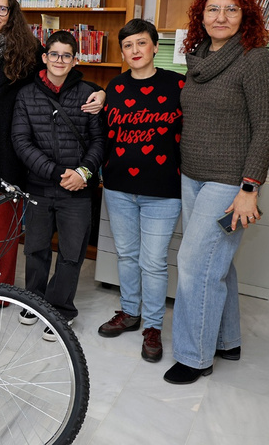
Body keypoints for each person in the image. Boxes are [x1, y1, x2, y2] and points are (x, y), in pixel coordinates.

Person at [0, 0, 105, 288]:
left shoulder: (32, 50)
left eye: (2, 9)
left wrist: (102, 93)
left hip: (12, 149)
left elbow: (60, 80)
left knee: (3, 228)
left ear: (12, 12)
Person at [164, 0, 269, 384]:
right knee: (218, 265)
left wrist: (250, 188)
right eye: (213, 10)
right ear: (201, 16)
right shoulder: (196, 58)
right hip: (192, 176)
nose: (221, 17)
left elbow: (266, 128)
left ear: (244, 15)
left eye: (231, 10)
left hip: (230, 183)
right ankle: (227, 341)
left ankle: (195, 358)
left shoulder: (255, 59)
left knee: (195, 265)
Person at [96, 19, 184, 363]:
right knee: (128, 255)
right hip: (118, 188)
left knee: (153, 261)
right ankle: (130, 313)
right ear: (122, 53)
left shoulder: (177, 85)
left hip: (163, 190)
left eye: (141, 44)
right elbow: (104, 136)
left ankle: (152, 327)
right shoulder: (114, 88)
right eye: (128, 46)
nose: (135, 51)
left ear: (155, 47)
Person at [12, 31, 105, 340]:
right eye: (55, 54)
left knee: (71, 252)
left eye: (67, 55)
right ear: (44, 57)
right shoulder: (26, 94)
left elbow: (98, 141)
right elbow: (21, 142)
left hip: (78, 190)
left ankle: (60, 309)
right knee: (36, 248)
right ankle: (33, 302)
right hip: (40, 185)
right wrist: (55, 172)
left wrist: (84, 172)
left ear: (75, 59)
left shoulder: (88, 93)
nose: (60, 60)